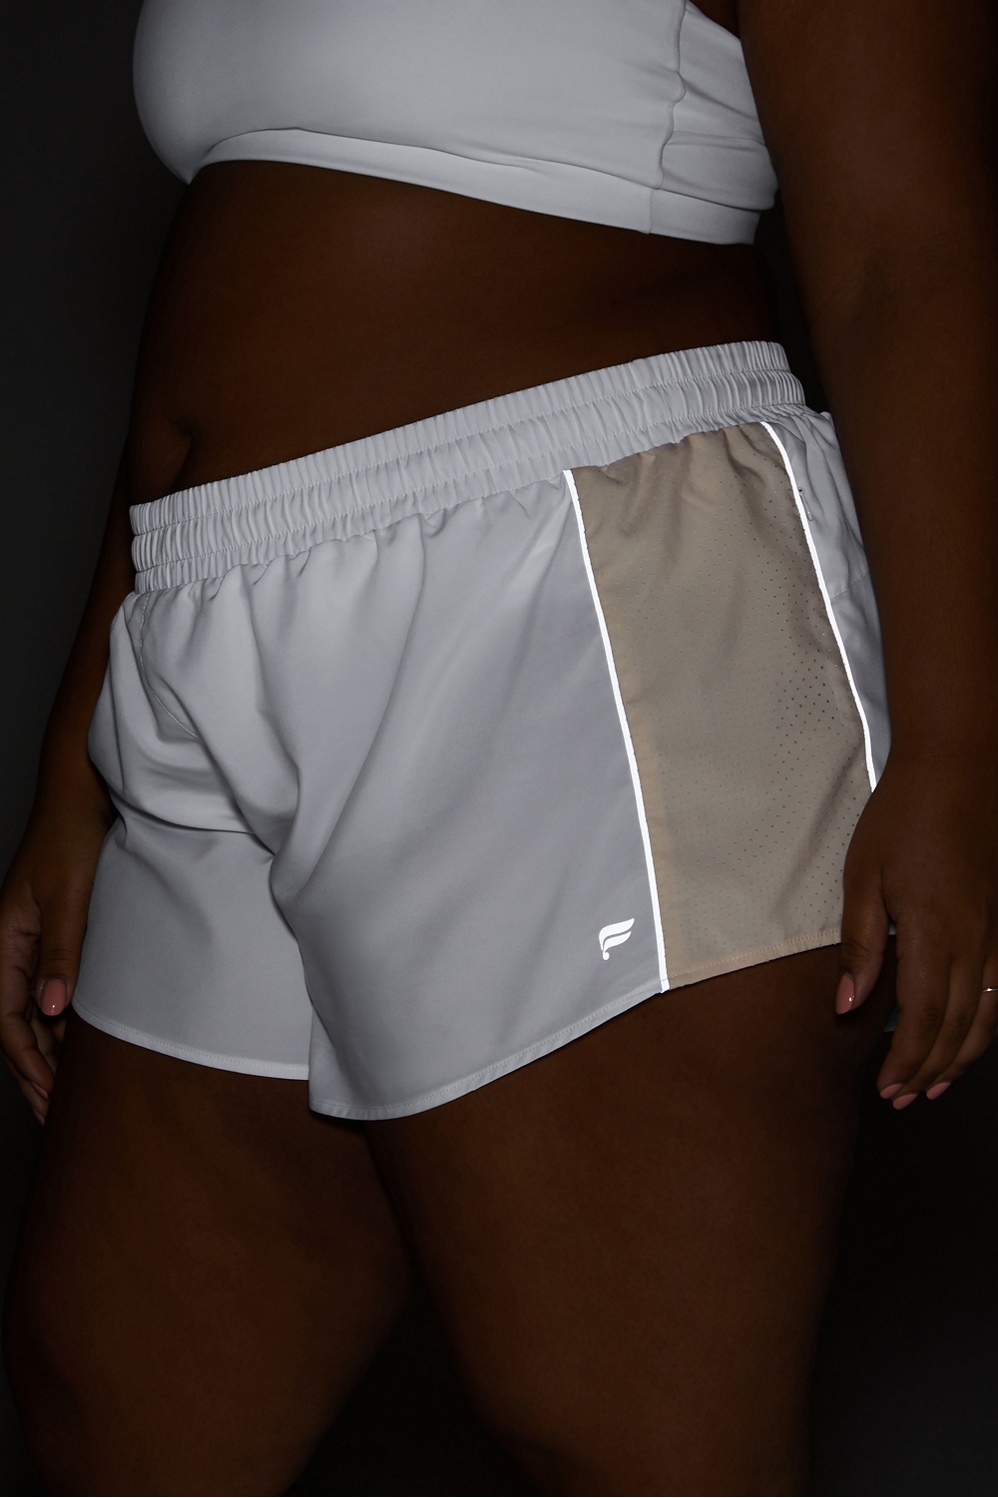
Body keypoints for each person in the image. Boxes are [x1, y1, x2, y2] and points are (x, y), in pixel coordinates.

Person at [2, 1, 996, 1493]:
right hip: (213, 608)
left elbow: (906, 260)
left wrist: (960, 744)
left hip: (581, 590)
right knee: (113, 1398)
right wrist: (78, 759)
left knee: (625, 1435)